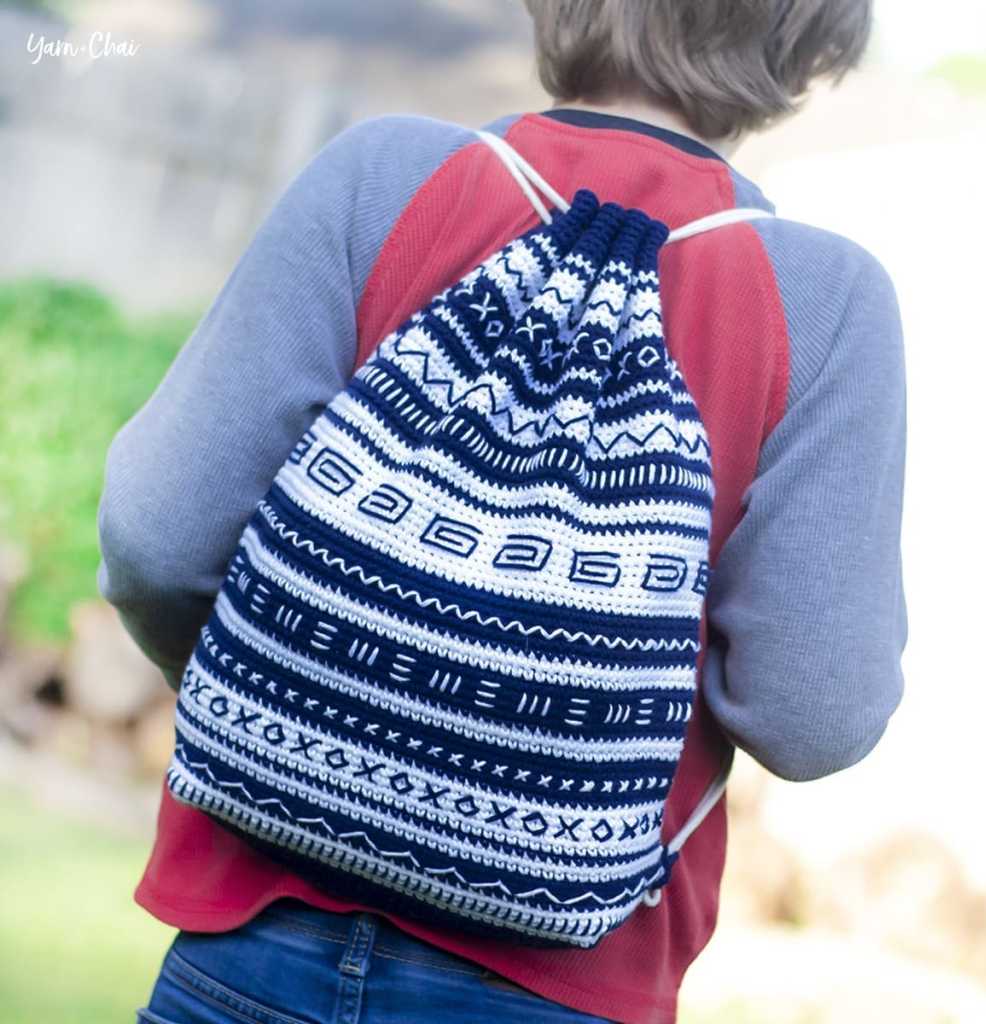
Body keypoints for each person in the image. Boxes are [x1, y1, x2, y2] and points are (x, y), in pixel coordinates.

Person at [97, 2, 908, 1022]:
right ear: (812, 43)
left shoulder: (380, 180)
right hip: (562, 982)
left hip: (251, 936)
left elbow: (156, 537)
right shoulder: (826, 304)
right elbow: (815, 712)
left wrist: (290, 688)